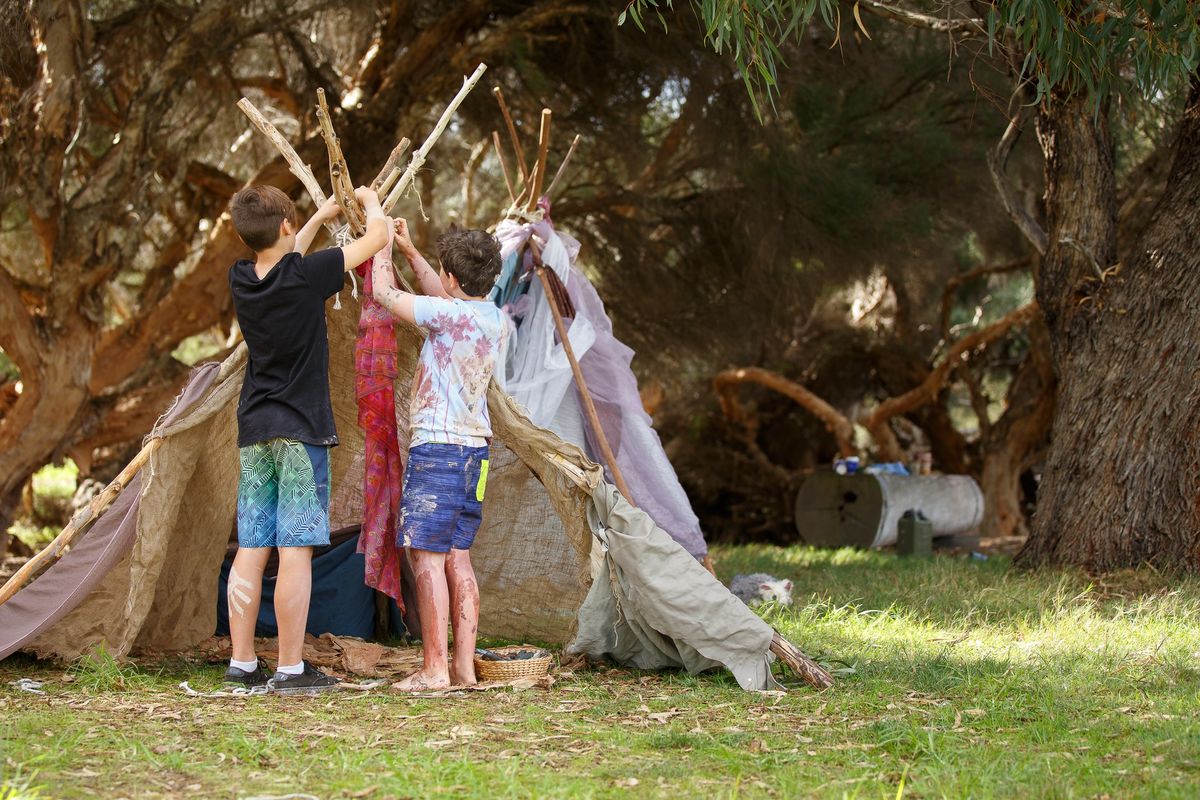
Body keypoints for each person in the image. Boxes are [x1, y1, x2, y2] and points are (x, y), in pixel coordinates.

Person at [224, 185, 389, 693]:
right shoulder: (310, 273)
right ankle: (291, 669)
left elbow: (283, 260)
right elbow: (377, 237)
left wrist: (317, 214)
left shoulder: (241, 278)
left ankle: (243, 664)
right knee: (294, 551)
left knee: (252, 547)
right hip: (300, 433)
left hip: (255, 430)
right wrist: (370, 199)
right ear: (285, 226)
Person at [369, 218, 506, 690]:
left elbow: (385, 294)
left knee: (426, 559)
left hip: (439, 452)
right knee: (458, 558)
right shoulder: (492, 317)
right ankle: (463, 669)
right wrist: (411, 251)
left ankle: (433, 670)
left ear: (452, 279)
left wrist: (381, 242)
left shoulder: (447, 316)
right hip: (476, 457)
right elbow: (444, 296)